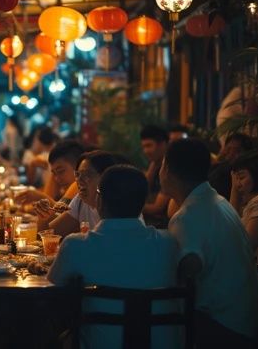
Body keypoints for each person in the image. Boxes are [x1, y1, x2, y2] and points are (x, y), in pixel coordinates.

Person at [48, 165, 179, 349]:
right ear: (142, 204)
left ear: (99, 201)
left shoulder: (76, 245)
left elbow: (51, 292)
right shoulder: (169, 244)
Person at [160, 139, 258, 348]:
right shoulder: (217, 201)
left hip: (222, 330)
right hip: (245, 322)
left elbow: (182, 278)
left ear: (167, 169)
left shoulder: (188, 217)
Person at [37, 151, 118, 236]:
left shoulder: (117, 207)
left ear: (105, 177)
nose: (79, 180)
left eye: (87, 174)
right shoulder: (80, 201)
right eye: (77, 174)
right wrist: (43, 218)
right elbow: (48, 235)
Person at [16, 140, 84, 206]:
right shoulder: (64, 190)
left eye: (61, 171)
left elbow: (61, 213)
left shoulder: (78, 187)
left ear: (79, 166)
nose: (57, 179)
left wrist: (40, 197)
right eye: (54, 173)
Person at [140, 125, 171, 228]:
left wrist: (129, 205)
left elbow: (157, 208)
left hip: (164, 226)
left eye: (149, 146)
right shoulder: (155, 164)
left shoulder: (171, 168)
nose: (146, 151)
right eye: (143, 147)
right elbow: (143, 191)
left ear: (163, 144)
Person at [209, 133, 254, 198]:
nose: (231, 154)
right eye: (228, 149)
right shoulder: (217, 167)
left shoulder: (244, 175)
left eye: (238, 151)